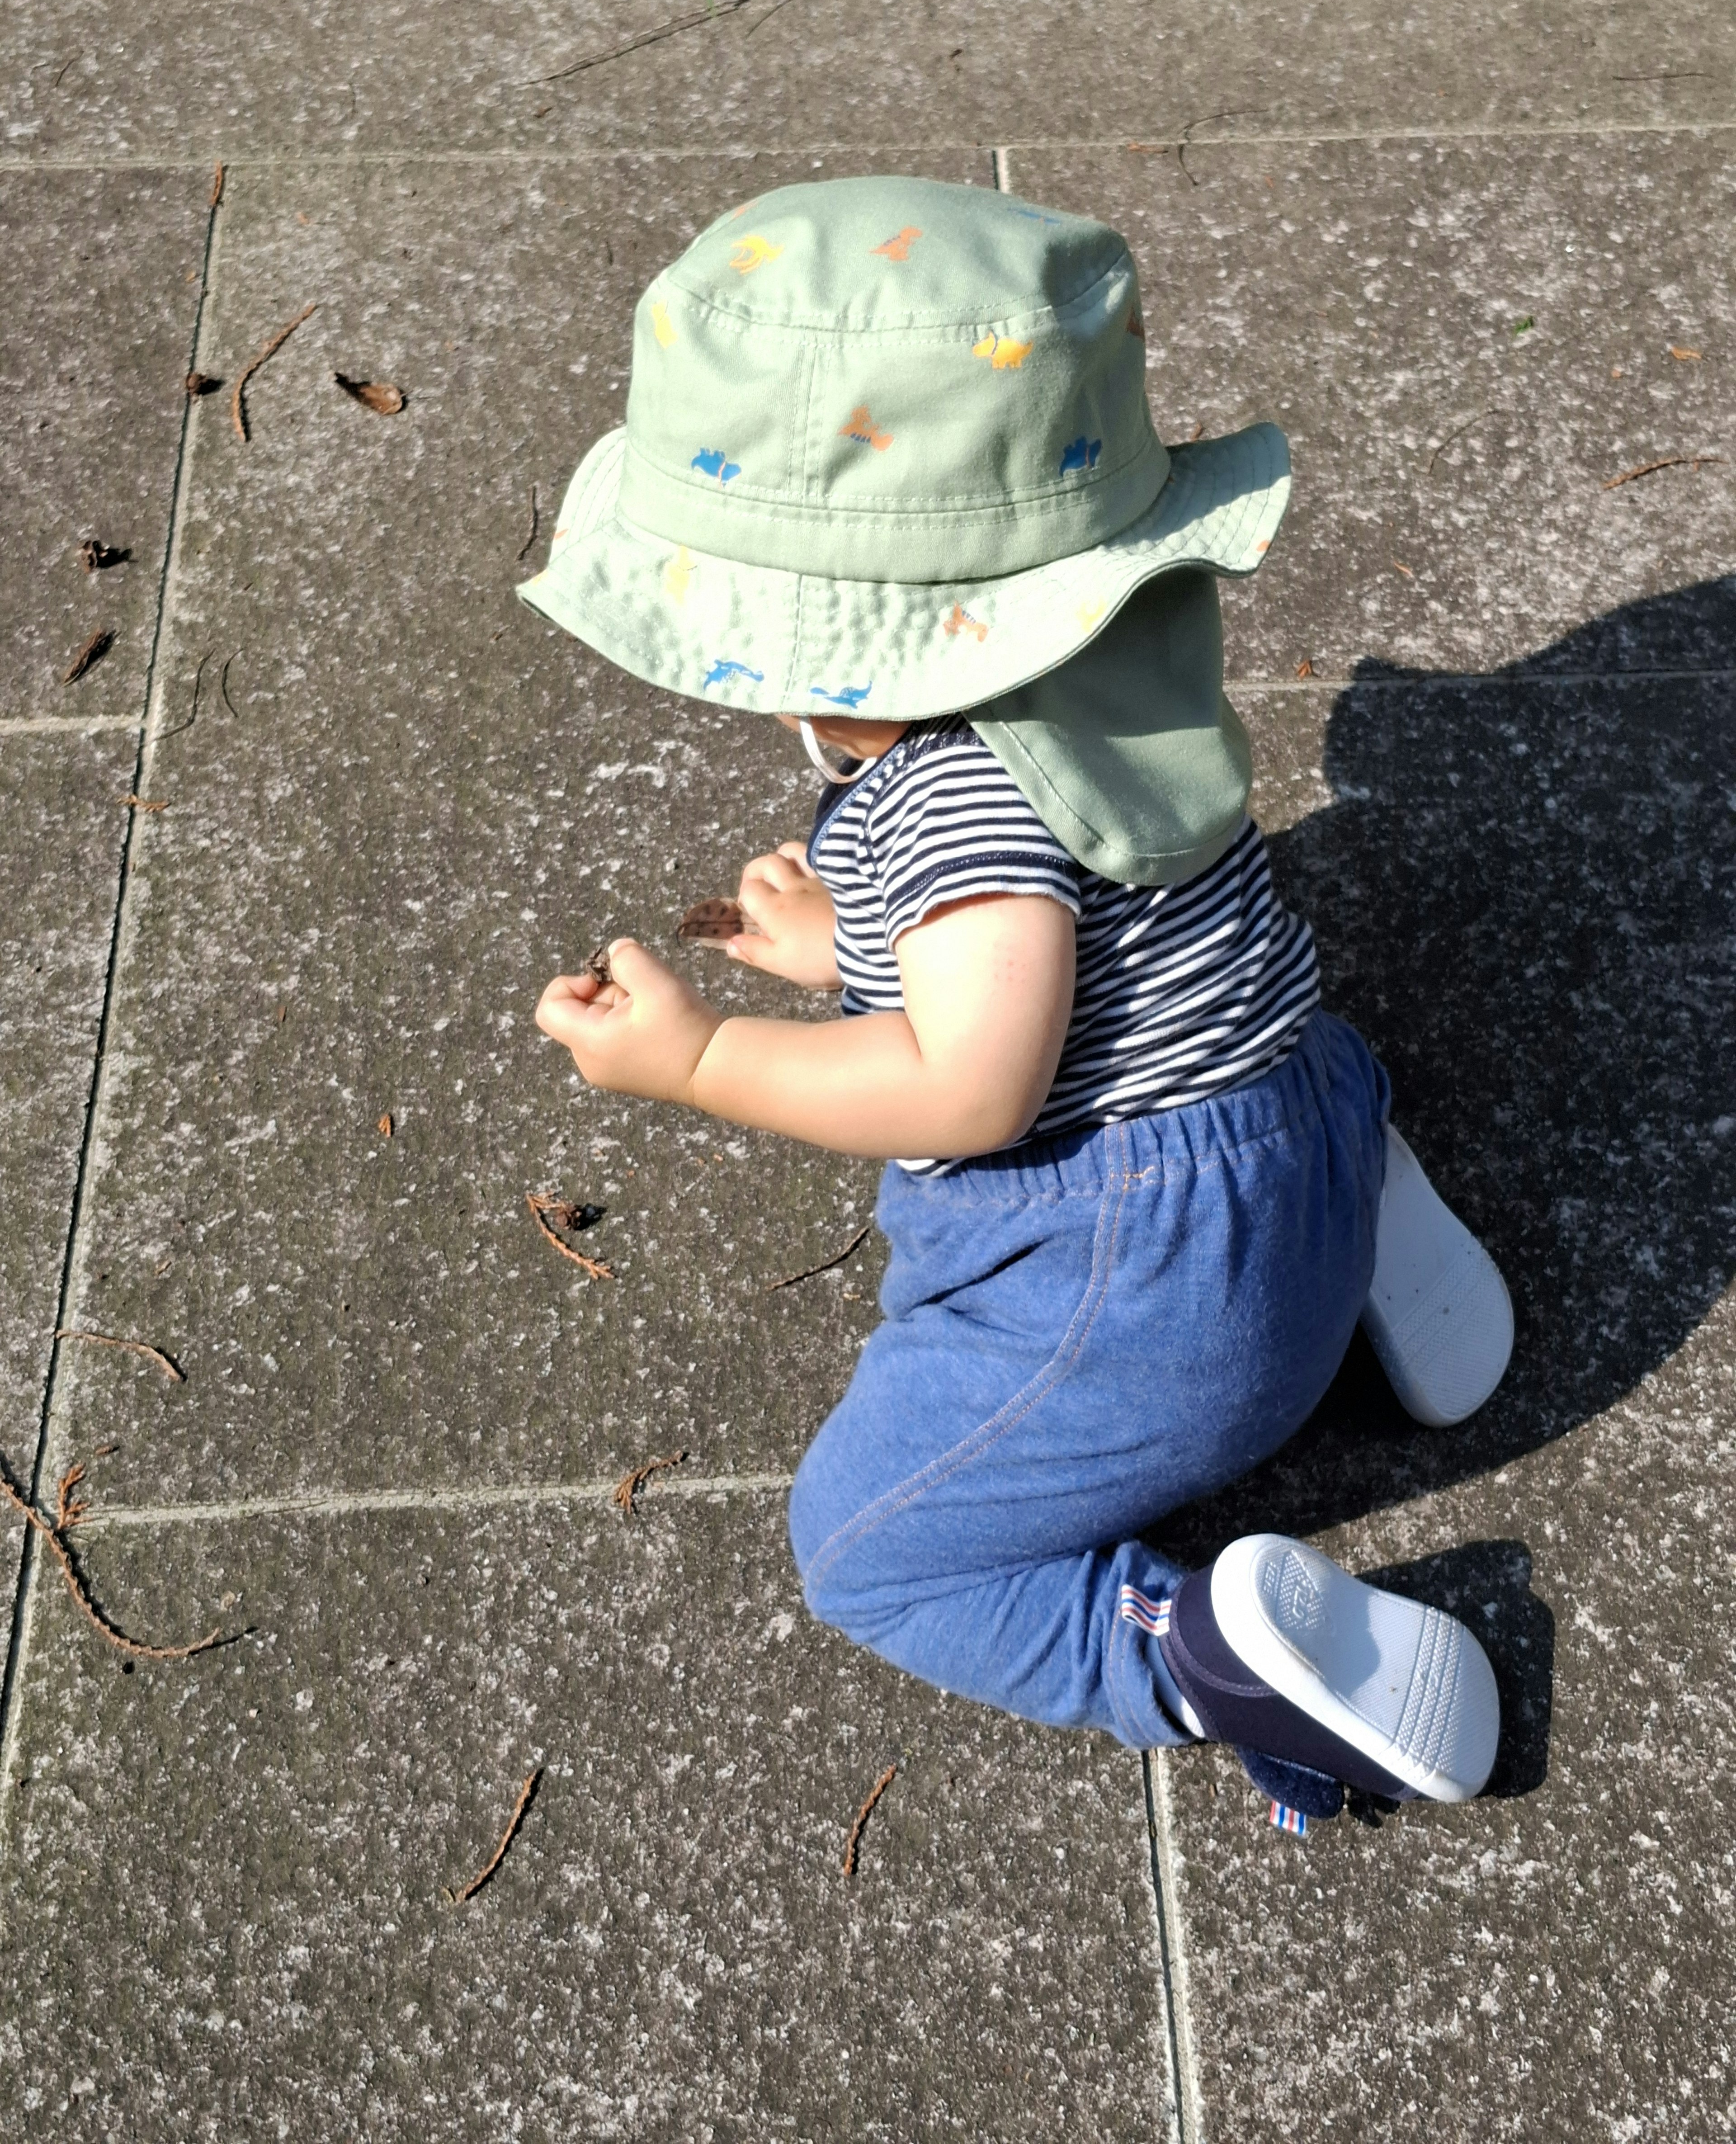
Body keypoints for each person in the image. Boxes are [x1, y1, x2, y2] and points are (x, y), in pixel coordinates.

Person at [524, 176, 1514, 1830]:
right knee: (1257, 1052)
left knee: (866, 1551)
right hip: (1299, 1104)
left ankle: (1202, 1654)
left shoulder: (952, 799)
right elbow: (1092, 949)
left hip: (1164, 1287)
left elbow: (976, 1089)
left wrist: (700, 1057)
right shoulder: (1107, 680)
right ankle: (1358, 1206)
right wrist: (862, 952)